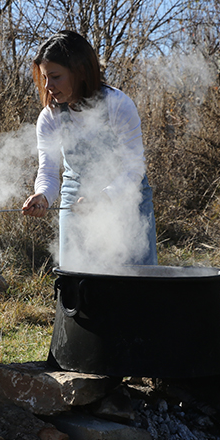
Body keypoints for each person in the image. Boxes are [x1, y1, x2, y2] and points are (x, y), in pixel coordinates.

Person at [21, 30, 157, 271]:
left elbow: (134, 168)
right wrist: (42, 196)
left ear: (80, 72)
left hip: (128, 198)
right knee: (77, 281)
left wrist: (104, 198)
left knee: (138, 284)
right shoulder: (50, 117)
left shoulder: (118, 105)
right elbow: (49, 172)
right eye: (45, 78)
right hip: (76, 200)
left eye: (55, 77)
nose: (48, 86)